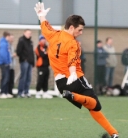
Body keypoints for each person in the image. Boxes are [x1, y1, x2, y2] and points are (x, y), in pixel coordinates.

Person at [34, 2, 119, 138]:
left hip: (61, 84)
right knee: (95, 104)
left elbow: (45, 28)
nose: (81, 32)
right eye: (79, 30)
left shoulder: (54, 35)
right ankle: (75, 96)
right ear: (71, 27)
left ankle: (113, 134)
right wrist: (73, 73)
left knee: (91, 107)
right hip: (74, 78)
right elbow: (72, 60)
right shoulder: (73, 43)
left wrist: (42, 16)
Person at [16, 29, 35, 98]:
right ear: (24, 33)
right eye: (28, 33)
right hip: (24, 62)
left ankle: (26, 92)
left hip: (30, 62)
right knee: (23, 77)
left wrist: (33, 62)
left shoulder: (30, 42)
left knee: (28, 78)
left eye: (30, 33)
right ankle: (20, 92)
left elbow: (31, 53)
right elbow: (18, 51)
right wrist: (24, 59)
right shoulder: (21, 40)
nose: (29, 35)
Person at [0, 31, 13, 99]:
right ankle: (2, 92)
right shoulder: (3, 44)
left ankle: (6, 92)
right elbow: (3, 54)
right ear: (7, 36)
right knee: (5, 78)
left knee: (7, 78)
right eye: (9, 37)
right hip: (4, 64)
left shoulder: (6, 43)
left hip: (6, 63)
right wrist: (7, 62)